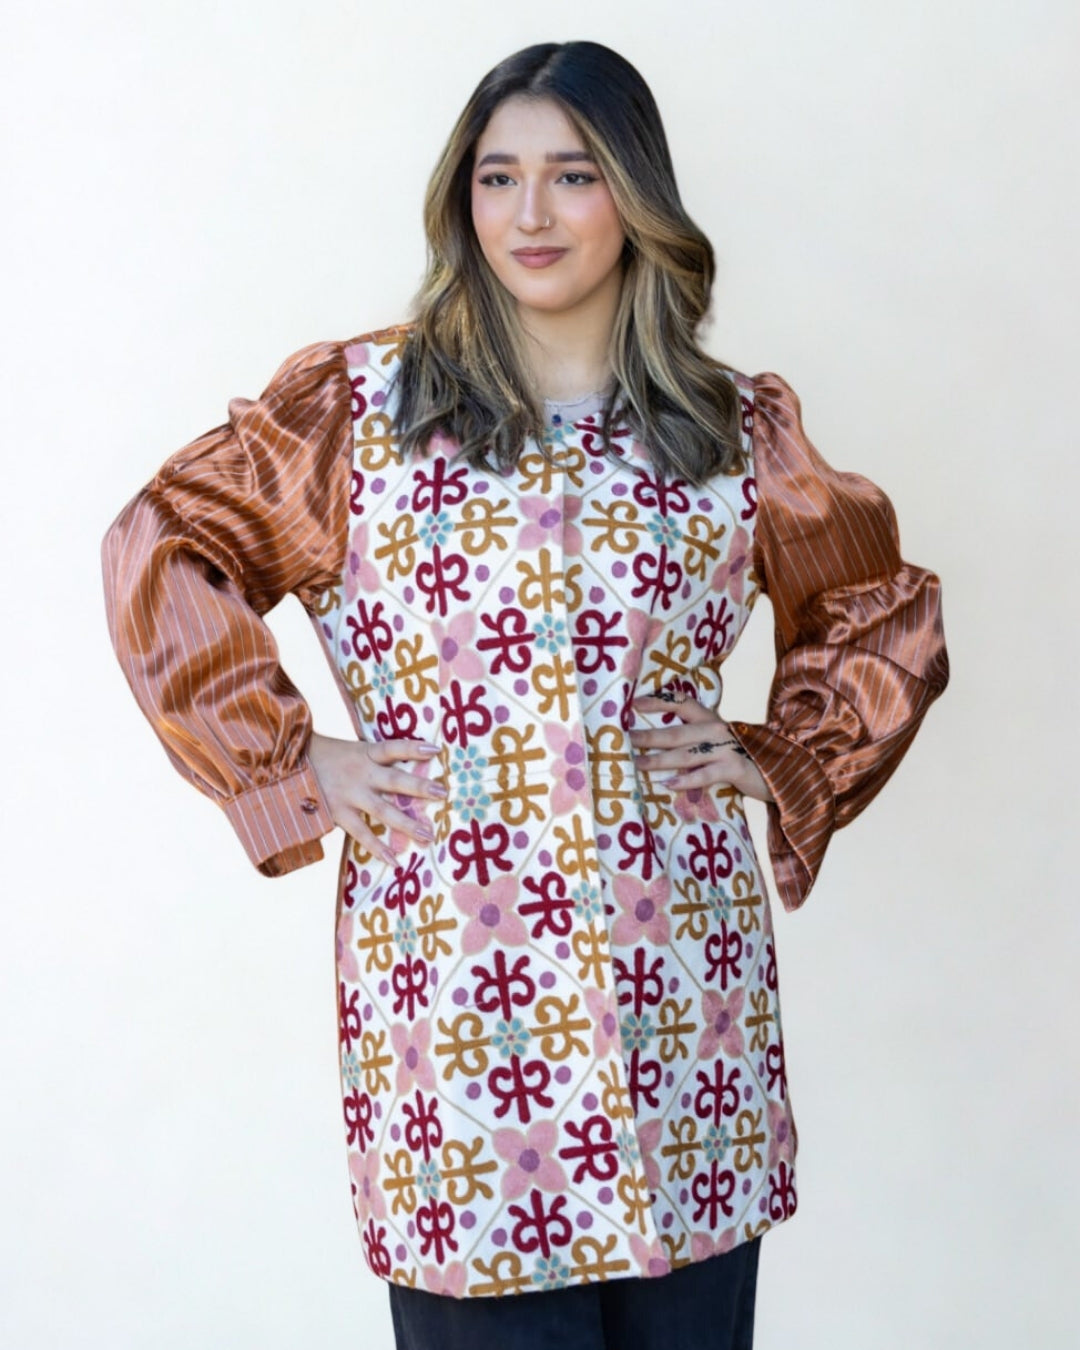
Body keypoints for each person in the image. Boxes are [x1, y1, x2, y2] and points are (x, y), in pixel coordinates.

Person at [102, 40, 948, 1350]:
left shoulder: (731, 426)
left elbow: (871, 611)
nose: (532, 215)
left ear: (639, 199)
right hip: (462, 1010)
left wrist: (777, 753)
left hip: (686, 1004)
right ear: (464, 200)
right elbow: (165, 542)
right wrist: (288, 761)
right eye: (500, 178)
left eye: (574, 175)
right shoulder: (358, 410)